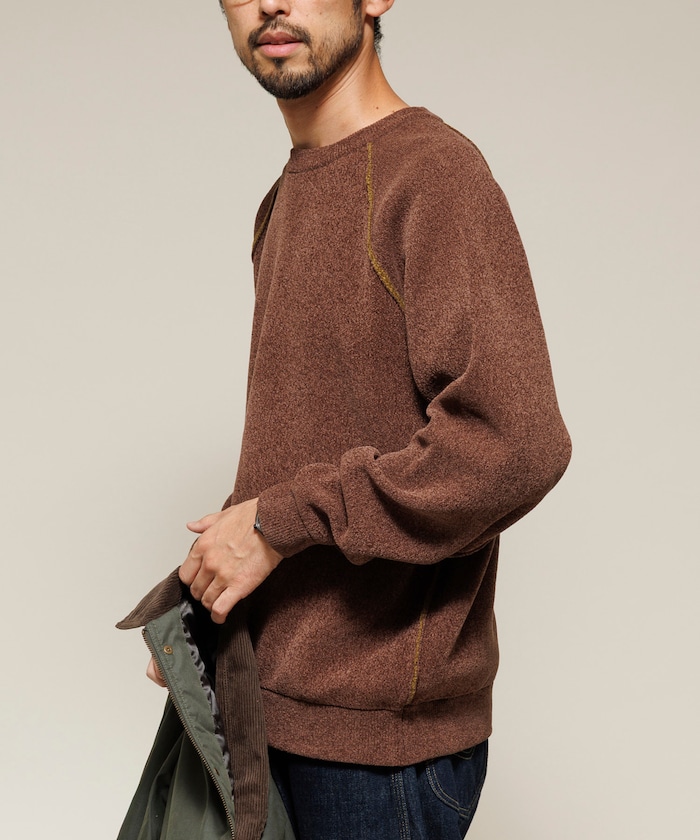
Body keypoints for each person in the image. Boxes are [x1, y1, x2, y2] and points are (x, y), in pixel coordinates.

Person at [144, 1, 571, 838]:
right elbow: (302, 444)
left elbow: (514, 442)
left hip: (379, 758)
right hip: (272, 710)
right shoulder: (286, 197)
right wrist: (208, 604)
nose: (270, 3)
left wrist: (276, 522)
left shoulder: (433, 175)